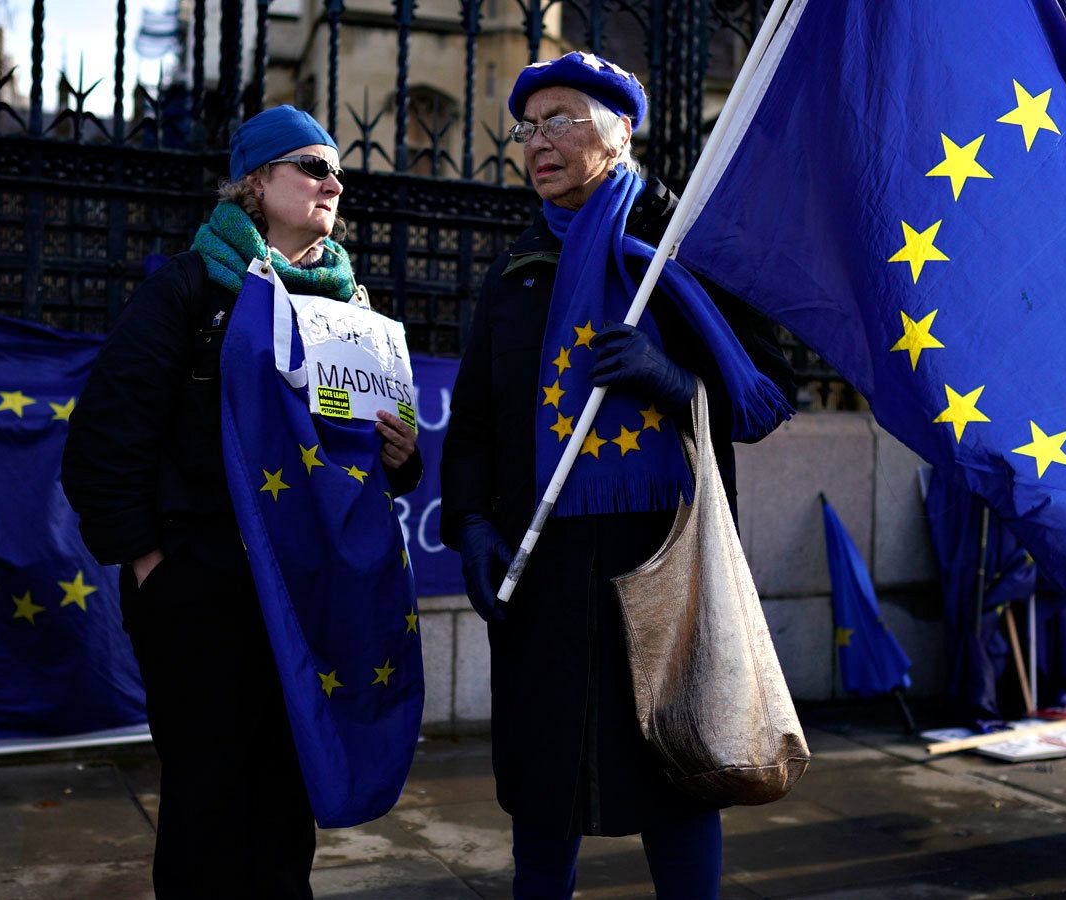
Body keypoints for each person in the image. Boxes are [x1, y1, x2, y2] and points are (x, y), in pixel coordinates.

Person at [440, 52, 794, 900]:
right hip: (543, 574)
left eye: (560, 120)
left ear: (618, 132)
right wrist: (473, 526)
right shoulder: (516, 271)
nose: (538, 142)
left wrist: (674, 383)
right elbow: (476, 418)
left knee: (679, 773)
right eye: (528, 127)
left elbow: (768, 391)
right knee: (543, 786)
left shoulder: (687, 250)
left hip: (663, 565)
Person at [61, 104, 420, 899]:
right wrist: (154, 566)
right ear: (255, 183)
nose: (334, 182)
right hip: (204, 589)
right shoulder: (188, 290)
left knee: (286, 799)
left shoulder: (350, 309)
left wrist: (403, 457)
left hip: (307, 590)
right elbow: (105, 438)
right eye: (312, 166)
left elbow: (360, 464)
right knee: (208, 801)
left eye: (338, 171)